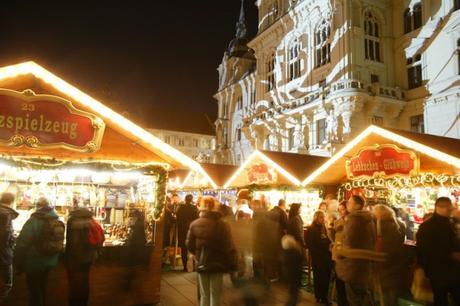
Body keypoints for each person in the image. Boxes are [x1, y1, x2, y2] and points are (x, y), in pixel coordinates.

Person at [335, 195, 385, 306]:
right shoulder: (370, 218)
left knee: (354, 298)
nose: (347, 204)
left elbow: (348, 242)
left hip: (353, 264)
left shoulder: (353, 219)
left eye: (350, 202)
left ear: (357, 205)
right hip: (365, 264)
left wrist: (339, 250)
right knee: (364, 294)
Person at [187, 196, 237, 306]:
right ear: (215, 207)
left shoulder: (195, 224)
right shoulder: (223, 225)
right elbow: (228, 245)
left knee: (204, 294)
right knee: (216, 294)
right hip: (217, 263)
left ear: (201, 207)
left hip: (202, 262)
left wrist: (198, 254)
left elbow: (189, 245)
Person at [14, 197, 64, 306]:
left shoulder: (33, 222)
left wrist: (17, 264)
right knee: (42, 287)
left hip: (34, 262)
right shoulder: (56, 220)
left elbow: (22, 244)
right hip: (50, 261)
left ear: (38, 207)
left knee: (34, 291)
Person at [416, 197, 460, 306]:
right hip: (439, 270)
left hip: (448, 270)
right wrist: (451, 255)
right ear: (440, 208)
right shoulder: (428, 227)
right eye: (449, 209)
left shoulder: (449, 223)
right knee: (442, 298)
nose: (450, 211)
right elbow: (425, 250)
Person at [65, 207, 104, 306]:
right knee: (85, 280)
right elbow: (101, 237)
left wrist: (68, 258)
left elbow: (72, 242)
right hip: (89, 257)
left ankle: (75, 303)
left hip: (75, 258)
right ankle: (84, 301)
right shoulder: (91, 221)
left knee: (75, 282)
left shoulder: (72, 221)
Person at [373, 204, 408, 306]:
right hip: (396, 260)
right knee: (393, 289)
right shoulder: (400, 225)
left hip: (382, 260)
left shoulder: (378, 226)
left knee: (383, 290)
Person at [306, 210, 332, 305]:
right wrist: (324, 246)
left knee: (325, 277)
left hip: (325, 256)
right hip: (318, 257)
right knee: (319, 277)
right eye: (321, 217)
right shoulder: (312, 229)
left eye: (323, 217)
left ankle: (322, 296)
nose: (323, 219)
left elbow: (327, 239)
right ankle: (320, 296)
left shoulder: (323, 227)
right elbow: (311, 244)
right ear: (316, 218)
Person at [0, 192, 18, 302]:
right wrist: (13, 240)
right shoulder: (6, 214)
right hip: (3, 254)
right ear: (12, 201)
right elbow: (4, 237)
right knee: (8, 284)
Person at [330, 201, 348, 306]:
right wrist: (331, 230)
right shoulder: (337, 221)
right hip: (337, 254)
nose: (341, 212)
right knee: (339, 282)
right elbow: (333, 238)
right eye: (339, 209)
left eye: (343, 209)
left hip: (346, 255)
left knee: (346, 283)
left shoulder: (351, 222)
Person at [176, 194, 199, 272]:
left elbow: (177, 219)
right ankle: (193, 267)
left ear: (185, 199)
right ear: (191, 199)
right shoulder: (194, 208)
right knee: (192, 249)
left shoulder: (181, 208)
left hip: (182, 230)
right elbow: (197, 218)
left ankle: (185, 267)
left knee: (184, 249)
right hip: (192, 230)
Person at [268, 199, 288, 280]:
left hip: (271, 237)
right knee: (280, 256)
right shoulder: (283, 213)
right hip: (279, 237)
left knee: (272, 256)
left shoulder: (271, 211)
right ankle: (280, 274)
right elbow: (285, 227)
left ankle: (273, 273)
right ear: (283, 204)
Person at [281, 235, 303, 306]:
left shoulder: (285, 253)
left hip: (289, 277)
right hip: (295, 277)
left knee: (292, 294)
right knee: (294, 296)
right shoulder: (295, 253)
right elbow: (300, 262)